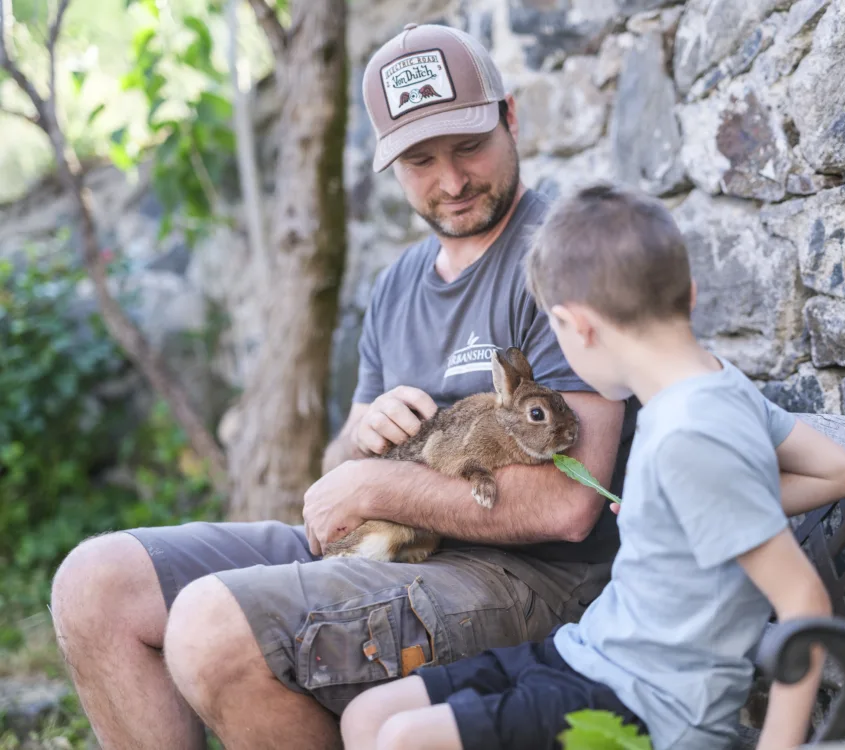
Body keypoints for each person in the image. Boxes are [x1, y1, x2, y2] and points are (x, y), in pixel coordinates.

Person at [48, 23, 634, 750]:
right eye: (421, 160)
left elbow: (571, 506)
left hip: (523, 578)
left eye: (469, 147)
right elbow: (337, 477)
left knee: (212, 629)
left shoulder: (563, 255)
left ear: (510, 118)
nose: (451, 181)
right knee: (95, 584)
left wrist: (376, 488)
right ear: (391, 166)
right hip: (388, 543)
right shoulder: (396, 287)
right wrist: (362, 443)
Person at [338, 183, 845, 750]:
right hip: (589, 651)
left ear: (577, 326)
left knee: (405, 740)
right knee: (369, 717)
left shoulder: (692, 434)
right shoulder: (720, 385)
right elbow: (839, 472)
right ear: (687, 295)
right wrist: (694, 512)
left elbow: (804, 603)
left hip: (648, 704)